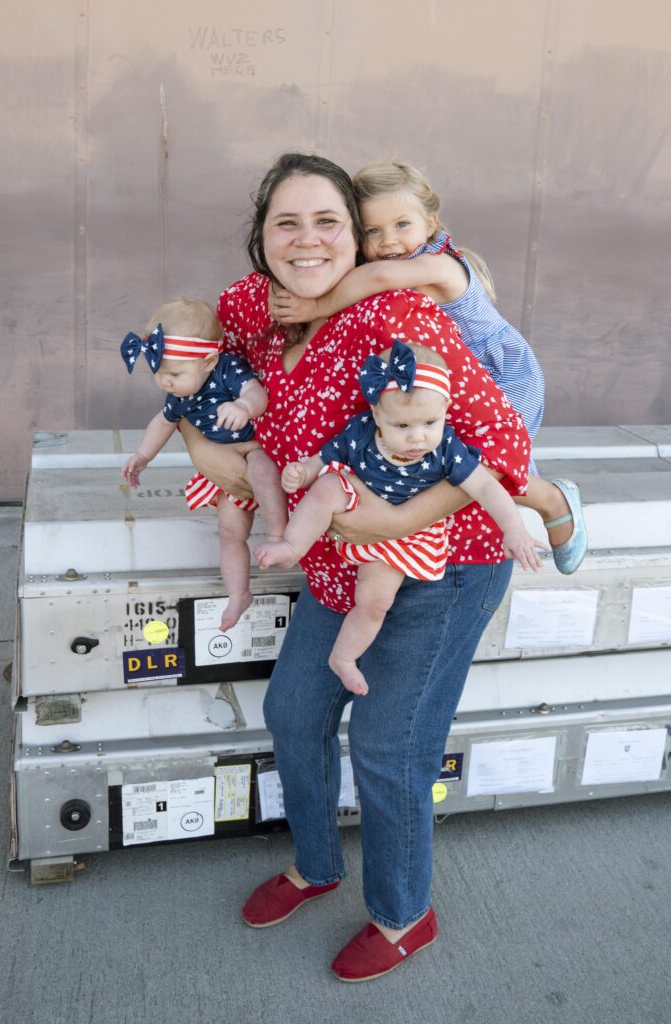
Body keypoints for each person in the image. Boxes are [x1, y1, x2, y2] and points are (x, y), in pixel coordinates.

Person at [180, 152, 531, 982]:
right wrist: (199, 439)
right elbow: (187, 352)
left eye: (327, 221)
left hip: (437, 568)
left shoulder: (394, 321)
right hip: (341, 569)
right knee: (295, 710)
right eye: (285, 223)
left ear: (359, 238)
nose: (307, 240)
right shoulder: (254, 308)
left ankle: (404, 914)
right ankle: (317, 864)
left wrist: (393, 519)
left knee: (387, 747)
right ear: (260, 239)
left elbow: (504, 451)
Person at [269, 159, 587, 576]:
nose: (389, 241)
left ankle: (555, 501)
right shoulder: (392, 264)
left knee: (498, 458)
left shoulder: (440, 265)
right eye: (373, 231)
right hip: (447, 376)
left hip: (505, 370)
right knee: (440, 450)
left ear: (431, 220)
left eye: (402, 224)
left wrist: (315, 304)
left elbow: (382, 277)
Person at [255, 339, 545, 696]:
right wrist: (304, 472)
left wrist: (514, 530)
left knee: (375, 603)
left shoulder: (446, 449)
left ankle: (344, 657)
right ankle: (290, 544)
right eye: (402, 426)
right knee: (329, 485)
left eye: (429, 422)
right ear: (377, 415)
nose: (417, 437)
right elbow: (327, 455)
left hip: (408, 537)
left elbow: (486, 488)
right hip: (358, 506)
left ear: (446, 409)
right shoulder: (362, 432)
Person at [119, 297, 287, 630]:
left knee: (262, 469)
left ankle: (279, 535)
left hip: (252, 448)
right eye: (160, 373)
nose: (165, 382)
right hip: (224, 472)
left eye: (174, 373)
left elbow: (257, 394)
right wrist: (142, 455)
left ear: (209, 361)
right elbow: (163, 422)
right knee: (229, 534)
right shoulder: (180, 393)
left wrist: (243, 407)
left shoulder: (227, 369)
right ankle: (238, 593)